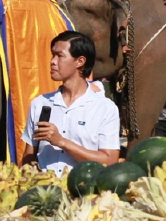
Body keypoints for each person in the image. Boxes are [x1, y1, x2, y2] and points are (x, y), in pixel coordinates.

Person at [21, 31, 120, 174]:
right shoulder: (40, 103)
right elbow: (28, 157)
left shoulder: (104, 108)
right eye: (53, 55)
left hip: (84, 191)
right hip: (45, 190)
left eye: (59, 56)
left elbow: (109, 161)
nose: (52, 61)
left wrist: (61, 142)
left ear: (80, 61)